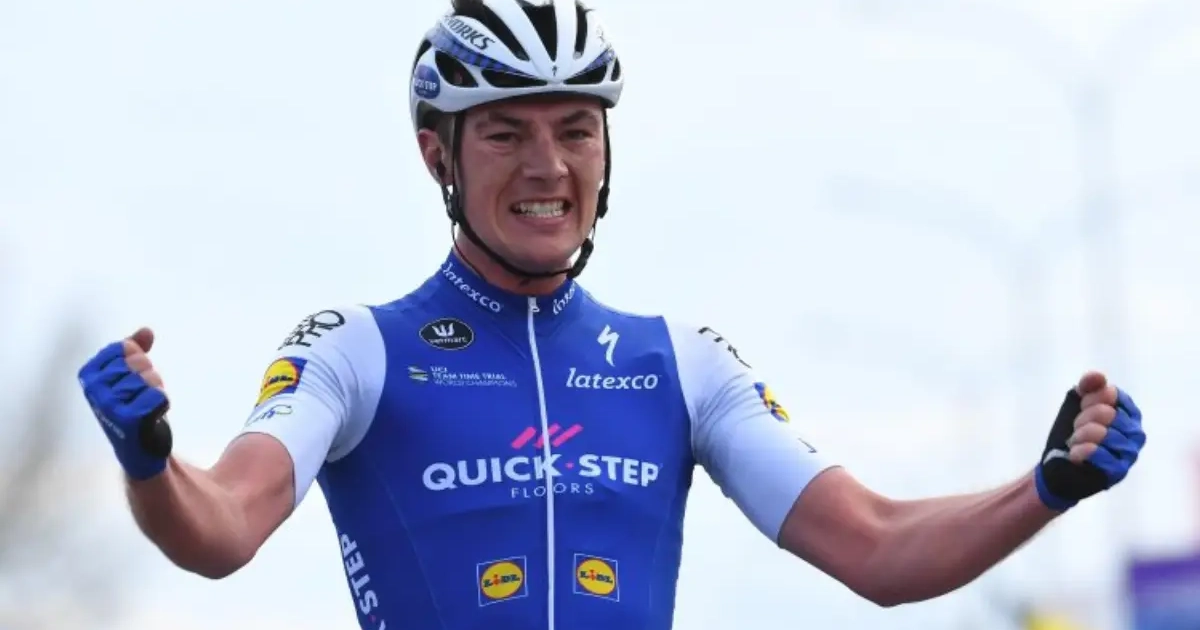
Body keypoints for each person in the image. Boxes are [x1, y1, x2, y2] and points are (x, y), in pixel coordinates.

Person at [75, 0, 1148, 628]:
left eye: (576, 130)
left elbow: (875, 548)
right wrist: (150, 457)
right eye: (507, 133)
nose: (548, 167)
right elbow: (223, 528)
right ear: (437, 156)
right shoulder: (358, 350)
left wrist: (1044, 487)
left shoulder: (679, 362)